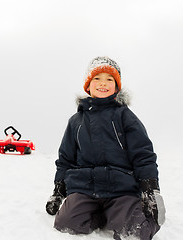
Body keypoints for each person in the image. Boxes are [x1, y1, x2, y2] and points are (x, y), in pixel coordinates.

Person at [45, 56, 165, 240]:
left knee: (135, 232)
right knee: (66, 224)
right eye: (97, 79)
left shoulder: (125, 116)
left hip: (120, 188)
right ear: (88, 85)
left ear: (116, 86)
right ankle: (103, 215)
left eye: (109, 79)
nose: (103, 83)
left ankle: (135, 216)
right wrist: (58, 190)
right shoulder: (76, 121)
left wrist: (150, 187)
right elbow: (65, 159)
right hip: (85, 188)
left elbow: (143, 154)